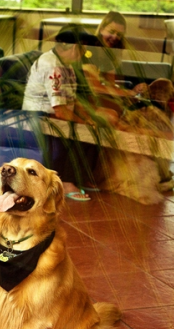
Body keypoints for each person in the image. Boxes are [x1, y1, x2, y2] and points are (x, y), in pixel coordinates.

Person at [22, 24, 118, 202]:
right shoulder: (52, 66)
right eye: (84, 48)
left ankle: (81, 177)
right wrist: (83, 122)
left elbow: (71, 101)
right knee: (78, 131)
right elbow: (60, 111)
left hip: (55, 111)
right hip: (38, 114)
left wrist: (90, 117)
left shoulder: (68, 65)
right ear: (75, 46)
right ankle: (65, 182)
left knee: (96, 126)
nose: (85, 52)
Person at [81, 11, 147, 106]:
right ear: (101, 30)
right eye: (111, 32)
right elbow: (96, 88)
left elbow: (110, 85)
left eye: (119, 35)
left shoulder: (109, 53)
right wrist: (129, 93)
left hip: (92, 97)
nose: (115, 37)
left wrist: (134, 91)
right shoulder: (90, 48)